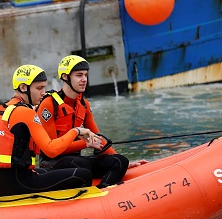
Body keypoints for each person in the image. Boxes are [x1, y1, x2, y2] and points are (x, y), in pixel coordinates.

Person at [0, 64, 98, 197]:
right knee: (83, 174)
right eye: (39, 88)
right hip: (18, 183)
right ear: (23, 88)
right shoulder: (25, 112)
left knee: (44, 172)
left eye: (44, 87)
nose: (44, 92)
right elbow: (51, 150)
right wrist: (76, 131)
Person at [36, 55, 145, 188]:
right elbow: (50, 150)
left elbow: (97, 137)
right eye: (79, 75)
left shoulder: (84, 105)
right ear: (65, 77)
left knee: (120, 161)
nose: (84, 80)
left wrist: (122, 161)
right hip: (52, 162)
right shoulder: (49, 104)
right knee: (82, 166)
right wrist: (86, 144)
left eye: (86, 75)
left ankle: (103, 190)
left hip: (75, 160)